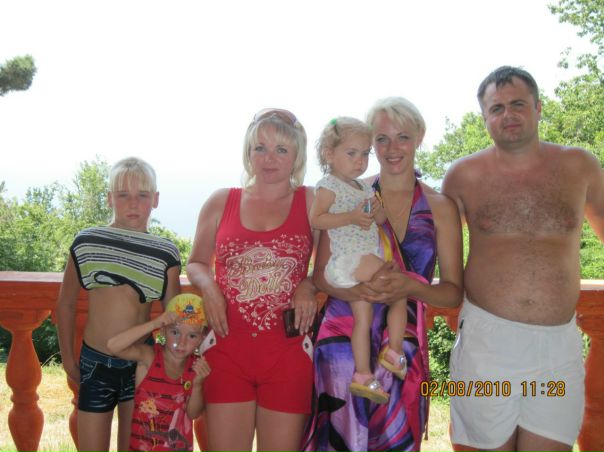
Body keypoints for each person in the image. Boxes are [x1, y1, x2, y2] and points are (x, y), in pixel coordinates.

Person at [442, 66, 604, 452]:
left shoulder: (579, 166)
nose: (508, 115)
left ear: (538, 107)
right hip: (485, 344)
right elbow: (424, 241)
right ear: (484, 118)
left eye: (517, 104)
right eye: (496, 108)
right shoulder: (463, 175)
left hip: (558, 348)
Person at [302, 98, 463, 452]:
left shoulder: (440, 207)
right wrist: (359, 293)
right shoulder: (349, 192)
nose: (392, 149)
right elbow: (321, 276)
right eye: (381, 139)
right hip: (342, 344)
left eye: (402, 137)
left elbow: (453, 293)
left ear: (419, 137)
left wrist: (408, 286)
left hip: (400, 352)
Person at [186, 108, 318, 452]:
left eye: (281, 149)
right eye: (260, 148)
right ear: (248, 152)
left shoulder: (311, 201)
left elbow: (334, 264)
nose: (269, 158)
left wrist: (309, 284)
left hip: (288, 353)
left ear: (297, 156)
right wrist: (209, 287)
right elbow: (196, 262)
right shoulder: (221, 201)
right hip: (226, 350)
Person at [56, 157, 181, 452]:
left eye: (143, 195)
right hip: (95, 363)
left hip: (140, 364)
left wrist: (173, 364)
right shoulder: (87, 242)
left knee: (136, 446)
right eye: (124, 195)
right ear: (109, 198)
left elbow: (174, 316)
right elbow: (66, 304)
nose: (133, 204)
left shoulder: (165, 253)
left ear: (156, 199)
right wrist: (68, 359)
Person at [310, 117, 425, 404]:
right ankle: (394, 351)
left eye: (365, 154)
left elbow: (382, 220)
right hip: (349, 260)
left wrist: (377, 209)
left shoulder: (363, 187)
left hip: (359, 262)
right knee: (399, 289)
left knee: (363, 319)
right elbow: (316, 219)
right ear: (329, 154)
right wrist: (350, 217)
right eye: (351, 153)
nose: (360, 161)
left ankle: (362, 375)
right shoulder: (329, 186)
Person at [107, 293, 210, 452]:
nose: (181, 342)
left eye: (191, 335)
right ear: (163, 331)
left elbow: (193, 414)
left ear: (201, 339)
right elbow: (113, 346)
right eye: (175, 332)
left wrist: (198, 386)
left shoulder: (196, 368)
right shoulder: (149, 357)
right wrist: (153, 323)